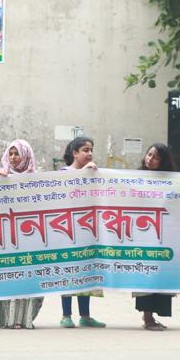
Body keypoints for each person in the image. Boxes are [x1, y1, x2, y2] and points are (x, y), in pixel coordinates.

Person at [0, 139, 44, 329]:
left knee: (28, 277)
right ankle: (7, 318)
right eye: (10, 154)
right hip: (6, 237)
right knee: (8, 276)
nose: (12, 158)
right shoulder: (0, 175)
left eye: (17, 153)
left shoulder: (37, 179)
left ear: (26, 155)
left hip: (31, 236)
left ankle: (25, 318)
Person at [59, 136, 106, 328]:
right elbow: (65, 191)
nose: (89, 153)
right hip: (67, 229)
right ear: (75, 153)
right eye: (85, 150)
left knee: (86, 271)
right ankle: (66, 315)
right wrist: (83, 175)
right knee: (69, 272)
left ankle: (85, 315)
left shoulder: (94, 172)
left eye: (91, 149)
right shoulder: (64, 172)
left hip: (87, 229)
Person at [135, 143, 178, 331]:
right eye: (149, 154)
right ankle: (147, 318)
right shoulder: (134, 178)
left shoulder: (170, 181)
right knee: (146, 274)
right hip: (141, 233)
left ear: (163, 161)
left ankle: (153, 315)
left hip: (162, 235)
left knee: (160, 275)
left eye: (156, 157)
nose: (150, 159)